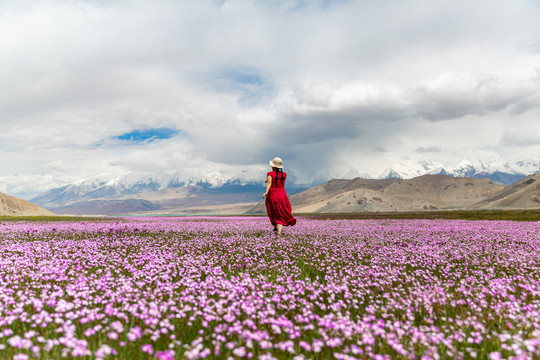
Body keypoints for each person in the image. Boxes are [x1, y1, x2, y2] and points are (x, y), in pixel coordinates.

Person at [262, 157, 296, 234]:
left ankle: (275, 228)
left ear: (273, 166)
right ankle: (279, 233)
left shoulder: (270, 174)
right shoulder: (284, 174)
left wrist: (266, 192)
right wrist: (268, 179)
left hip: (273, 195)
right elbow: (278, 180)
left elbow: (270, 183)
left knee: (272, 211)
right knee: (281, 213)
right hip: (282, 195)